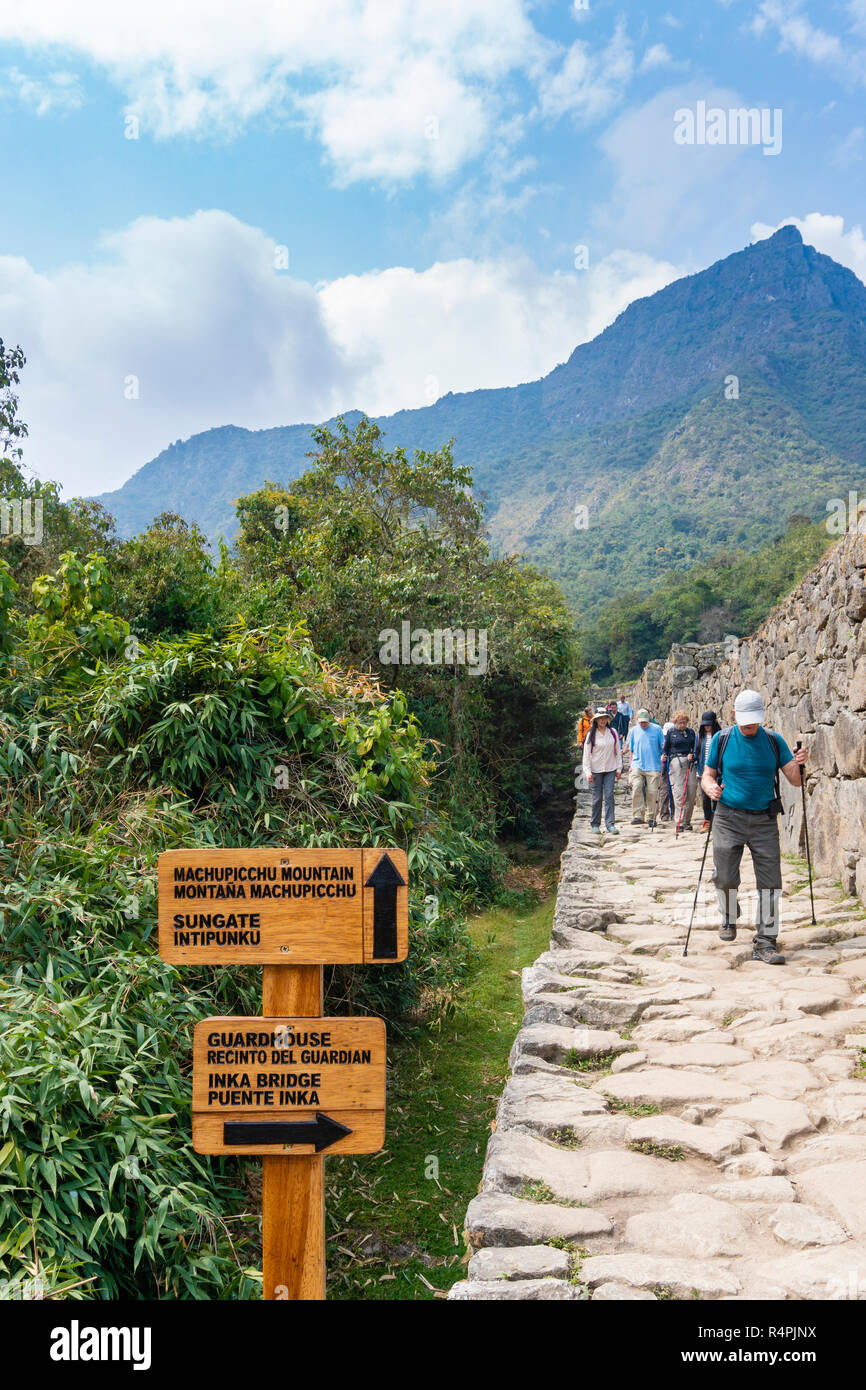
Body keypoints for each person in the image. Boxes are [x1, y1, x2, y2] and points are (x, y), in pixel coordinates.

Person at [701, 688, 807, 965]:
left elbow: (795, 780)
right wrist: (710, 787)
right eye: (744, 719)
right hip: (727, 817)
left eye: (753, 720)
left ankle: (766, 941)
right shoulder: (722, 740)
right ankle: (729, 916)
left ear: (761, 716)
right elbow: (707, 775)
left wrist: (800, 763)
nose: (748, 725)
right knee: (724, 877)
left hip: (764, 819)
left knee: (771, 883)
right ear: (734, 715)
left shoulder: (773, 741)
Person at [584, 706, 623, 834]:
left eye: (604, 718)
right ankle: (595, 824)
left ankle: (610, 824)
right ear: (596, 720)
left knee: (609, 796)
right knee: (597, 798)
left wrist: (619, 768)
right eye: (600, 718)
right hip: (595, 770)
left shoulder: (612, 732)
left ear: (607, 719)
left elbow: (617, 751)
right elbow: (586, 755)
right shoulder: (591, 734)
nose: (602, 720)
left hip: (610, 769)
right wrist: (588, 772)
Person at [626, 708, 664, 826]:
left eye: (645, 722)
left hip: (653, 765)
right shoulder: (633, 731)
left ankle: (651, 816)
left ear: (649, 720)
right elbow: (631, 749)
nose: (643, 724)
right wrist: (631, 764)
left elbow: (663, 746)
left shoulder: (657, 729)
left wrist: (663, 757)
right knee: (636, 787)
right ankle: (638, 815)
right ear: (637, 720)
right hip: (637, 764)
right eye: (641, 722)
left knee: (652, 792)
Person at [662, 709, 698, 831]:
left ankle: (687, 821)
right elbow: (666, 748)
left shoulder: (691, 732)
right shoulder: (671, 733)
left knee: (691, 792)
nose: (682, 725)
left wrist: (692, 755)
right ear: (675, 722)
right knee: (679, 792)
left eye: (684, 722)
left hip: (690, 763)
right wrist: (664, 756)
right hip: (676, 763)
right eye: (680, 722)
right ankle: (679, 822)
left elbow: (695, 747)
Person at [694, 710, 721, 831]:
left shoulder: (720, 736)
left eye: (709, 724)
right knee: (705, 798)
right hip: (702, 771)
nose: (707, 726)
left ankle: (717, 821)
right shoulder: (699, 737)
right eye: (705, 724)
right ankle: (707, 820)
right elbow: (697, 752)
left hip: (717, 772)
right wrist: (692, 757)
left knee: (717, 797)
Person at [657, 721, 675, 822]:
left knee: (674, 791)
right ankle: (664, 813)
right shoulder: (661, 739)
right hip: (663, 767)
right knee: (664, 791)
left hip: (674, 767)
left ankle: (674, 813)